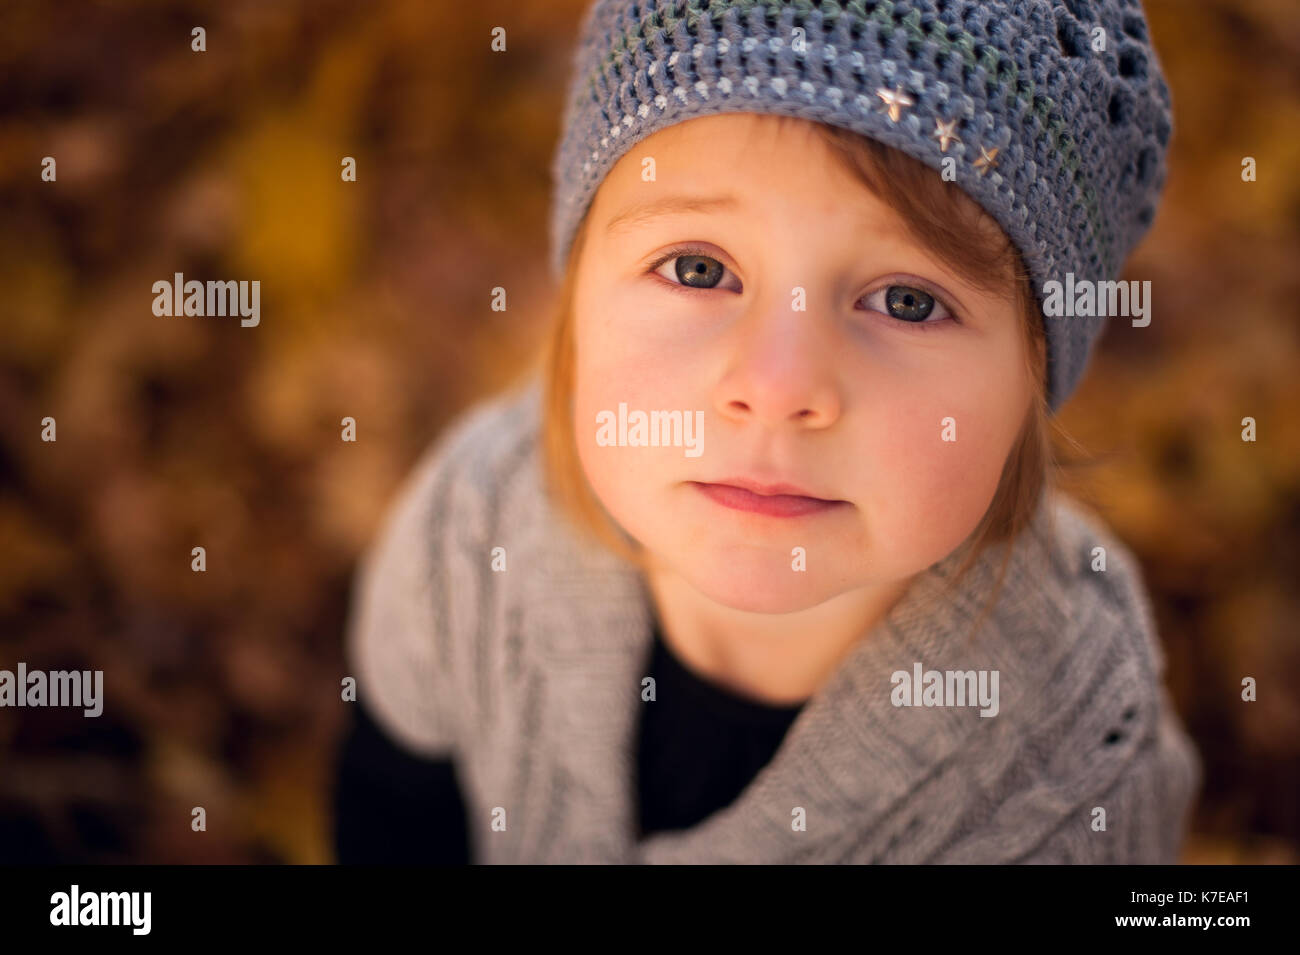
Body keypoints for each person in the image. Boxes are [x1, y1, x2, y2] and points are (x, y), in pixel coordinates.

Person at [332, 0, 1201, 864]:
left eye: (907, 301)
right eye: (699, 268)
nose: (779, 388)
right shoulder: (474, 536)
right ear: (577, 303)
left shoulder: (1071, 770)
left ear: (1029, 385)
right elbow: (388, 817)